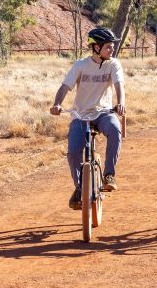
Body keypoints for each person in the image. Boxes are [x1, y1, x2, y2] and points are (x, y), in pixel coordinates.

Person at [50, 26, 126, 210]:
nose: (112, 49)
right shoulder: (80, 65)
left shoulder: (113, 64)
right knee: (74, 151)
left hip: (104, 113)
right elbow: (64, 87)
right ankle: (79, 187)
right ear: (96, 48)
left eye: (112, 46)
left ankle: (109, 175)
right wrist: (57, 104)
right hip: (80, 115)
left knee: (115, 130)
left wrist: (121, 102)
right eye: (108, 46)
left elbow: (119, 85)